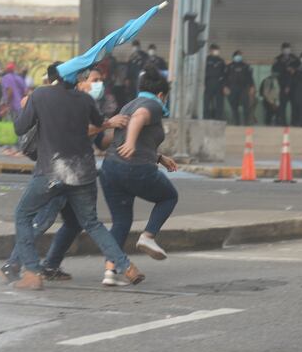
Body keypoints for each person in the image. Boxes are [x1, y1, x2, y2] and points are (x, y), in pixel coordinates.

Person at [10, 66, 144, 291]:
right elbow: (98, 123)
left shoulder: (40, 95)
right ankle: (126, 266)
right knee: (92, 223)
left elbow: (20, 127)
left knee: (23, 215)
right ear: (77, 80)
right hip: (83, 173)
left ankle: (32, 272)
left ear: (54, 78)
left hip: (52, 171)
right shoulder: (85, 100)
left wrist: (26, 106)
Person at [99, 64, 179, 276]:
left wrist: (159, 157)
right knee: (169, 197)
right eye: (165, 97)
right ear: (161, 94)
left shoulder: (128, 105)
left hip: (110, 168)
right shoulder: (152, 104)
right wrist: (131, 143)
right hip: (135, 168)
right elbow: (139, 118)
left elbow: (133, 135)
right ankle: (148, 236)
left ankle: (110, 271)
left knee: (121, 221)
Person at [224, 51, 255, 126]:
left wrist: (252, 87)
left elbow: (250, 78)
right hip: (232, 88)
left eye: (240, 56)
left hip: (244, 88)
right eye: (237, 56)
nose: (239, 57)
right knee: (234, 107)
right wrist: (225, 87)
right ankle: (236, 123)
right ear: (233, 57)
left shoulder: (246, 66)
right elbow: (225, 78)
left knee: (246, 106)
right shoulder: (229, 66)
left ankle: (246, 123)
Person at [272, 42, 299, 126]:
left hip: (294, 86)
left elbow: (299, 69)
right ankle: (282, 122)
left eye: (288, 49)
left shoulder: (295, 58)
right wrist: (284, 70)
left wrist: (294, 70)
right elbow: (274, 71)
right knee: (282, 105)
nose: (287, 50)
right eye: (285, 49)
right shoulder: (278, 59)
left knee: (295, 104)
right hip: (282, 85)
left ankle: (294, 122)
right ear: (282, 50)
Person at [204, 44, 227, 120]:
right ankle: (206, 118)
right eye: (215, 50)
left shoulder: (221, 61)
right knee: (206, 102)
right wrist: (203, 84)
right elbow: (202, 72)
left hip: (219, 83)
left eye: (217, 50)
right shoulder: (206, 60)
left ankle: (218, 118)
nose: (217, 52)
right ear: (211, 50)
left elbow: (224, 74)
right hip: (208, 83)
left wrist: (224, 85)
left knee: (219, 102)